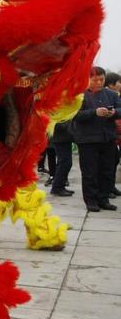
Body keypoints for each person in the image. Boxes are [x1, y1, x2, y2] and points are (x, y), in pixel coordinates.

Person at [71, 67, 121, 212]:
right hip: (87, 140)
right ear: (87, 79)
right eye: (95, 80)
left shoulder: (111, 94)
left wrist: (113, 113)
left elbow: (120, 109)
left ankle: (103, 198)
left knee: (107, 171)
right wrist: (94, 112)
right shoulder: (79, 96)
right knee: (89, 172)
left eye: (102, 79)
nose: (99, 82)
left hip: (108, 139)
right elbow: (74, 115)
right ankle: (91, 200)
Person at [104, 71, 121, 196]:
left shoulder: (117, 95)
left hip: (115, 135)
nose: (120, 84)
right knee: (108, 163)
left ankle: (110, 186)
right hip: (109, 134)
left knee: (114, 161)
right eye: (118, 82)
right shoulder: (106, 96)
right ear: (111, 84)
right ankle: (106, 187)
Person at [49, 120, 75, 196]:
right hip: (60, 138)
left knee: (65, 163)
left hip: (64, 138)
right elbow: (56, 124)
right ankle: (57, 188)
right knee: (64, 163)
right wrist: (70, 126)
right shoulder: (58, 111)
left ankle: (60, 186)